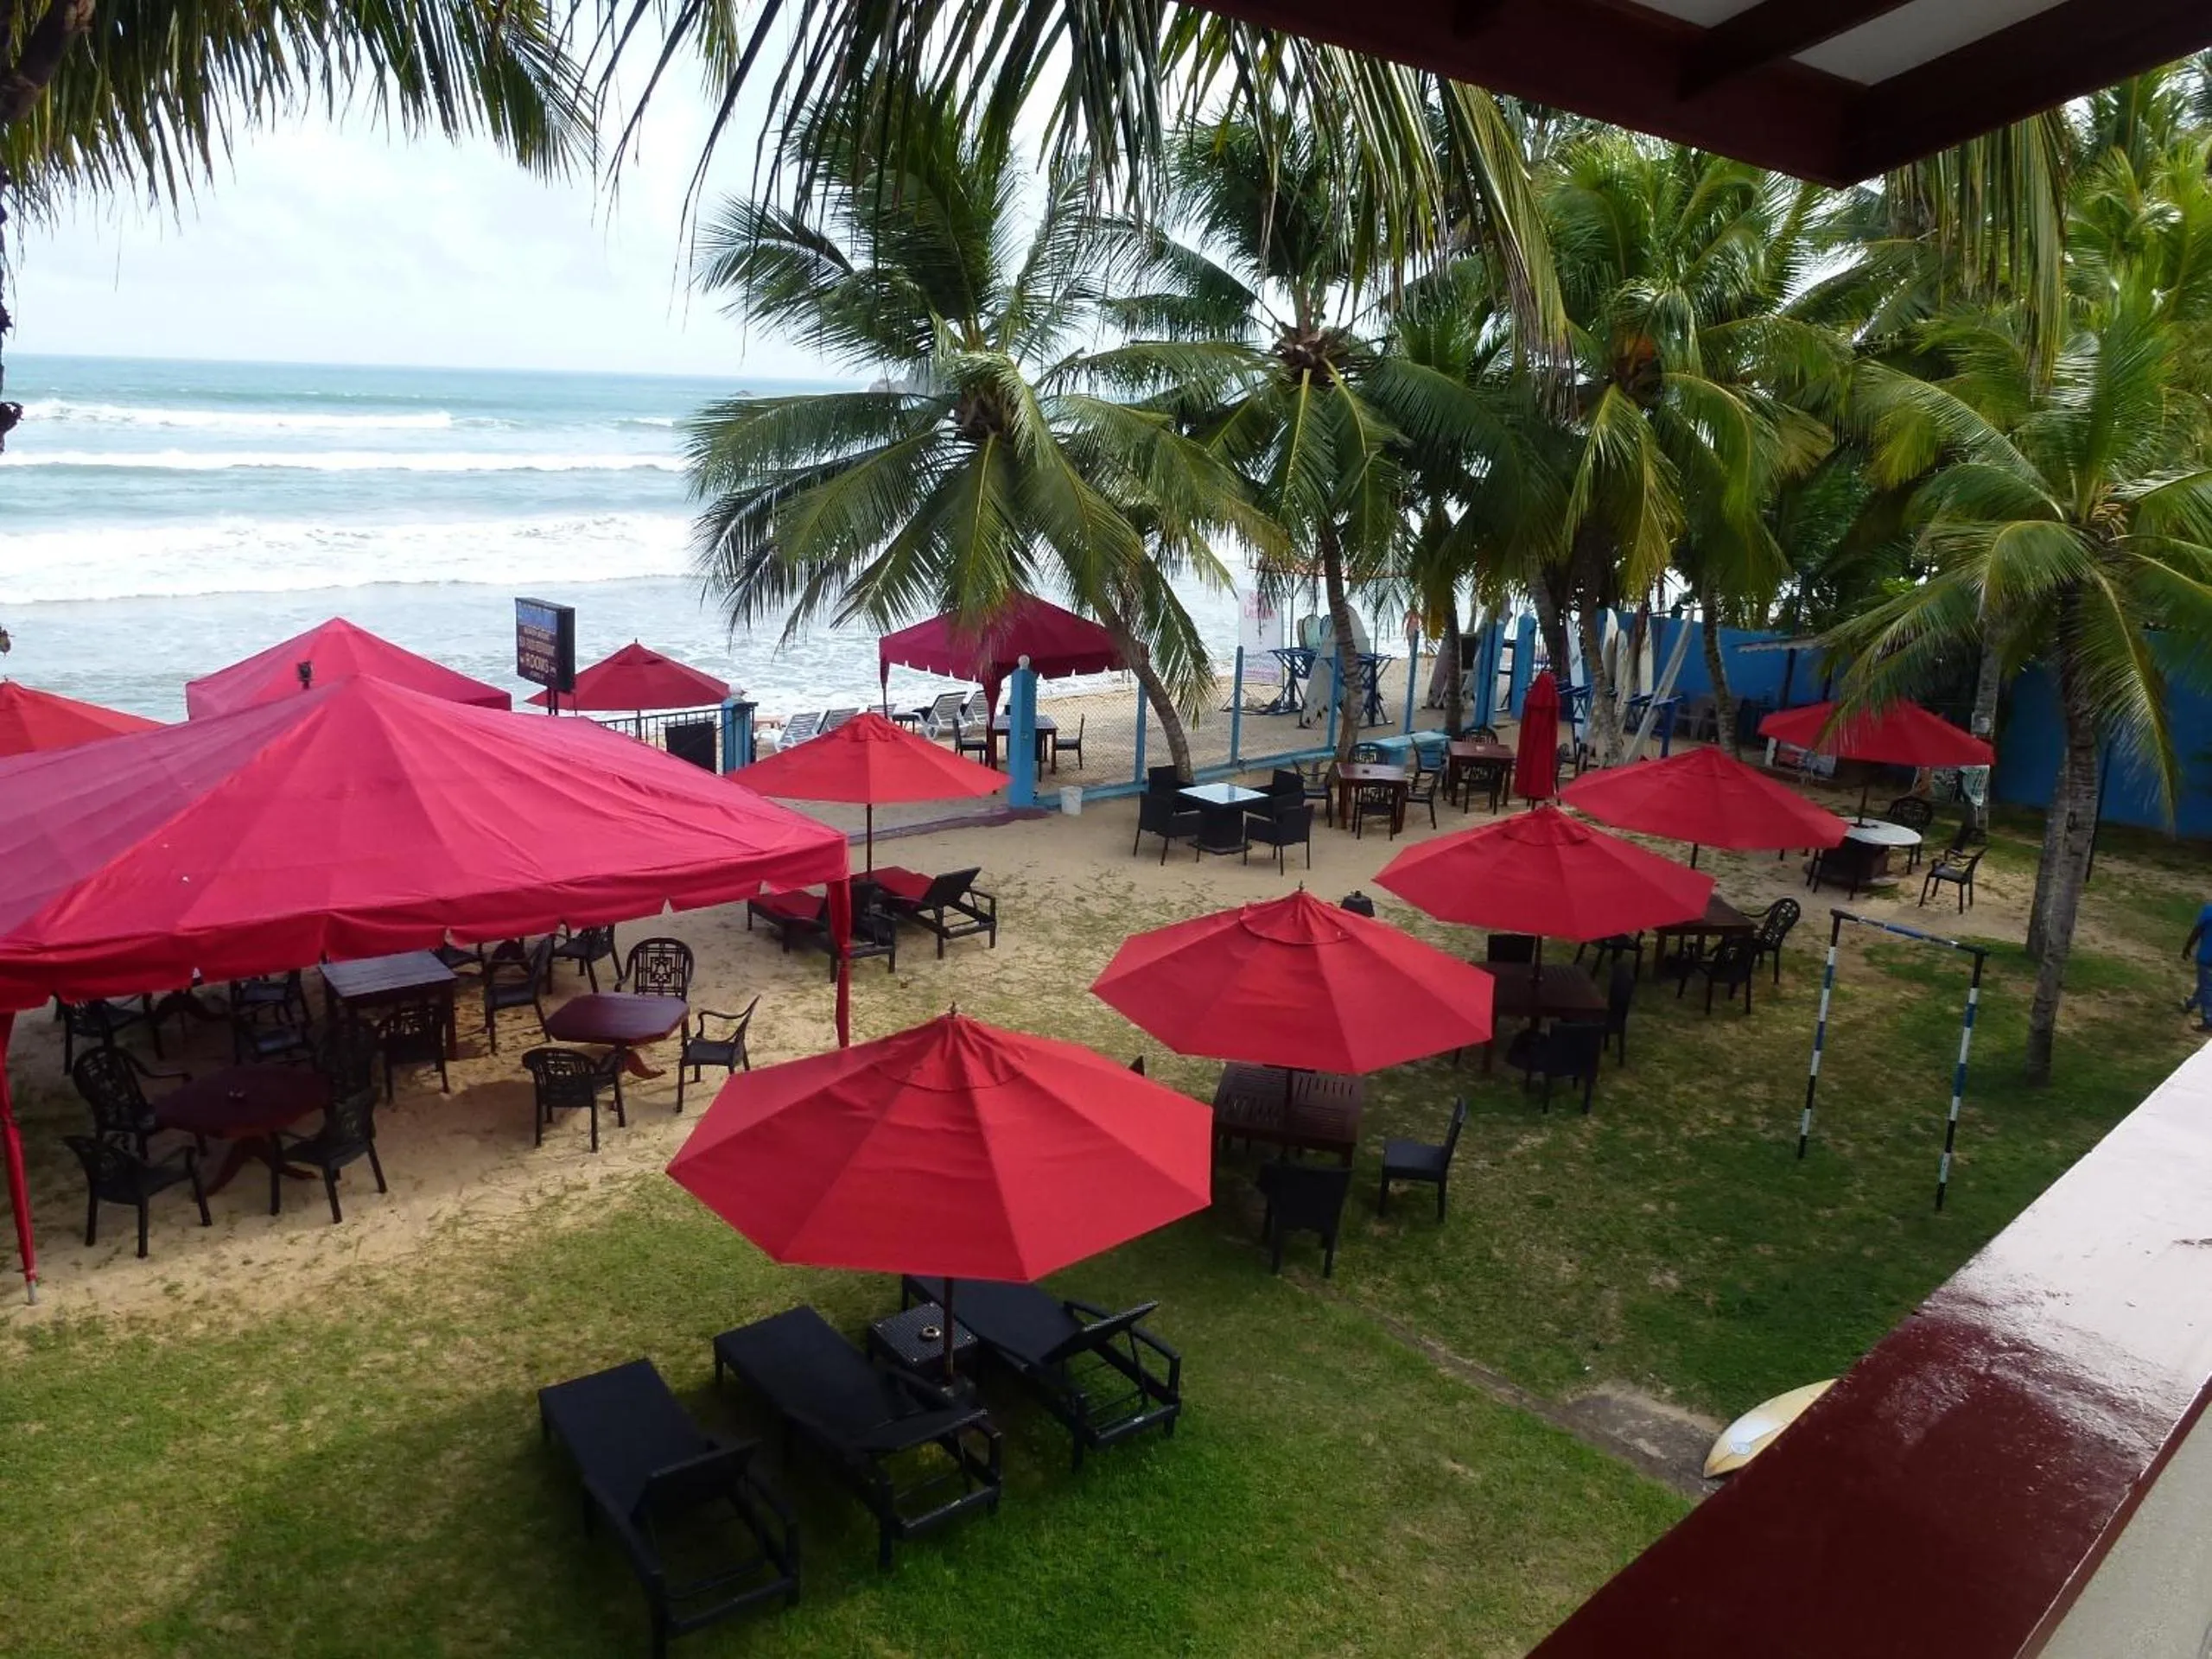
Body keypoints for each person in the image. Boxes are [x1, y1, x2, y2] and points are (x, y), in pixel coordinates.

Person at [2183, 904, 2212, 1031]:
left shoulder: (2208, 911)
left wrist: (2188, 947)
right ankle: (2191, 1004)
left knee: (2206, 987)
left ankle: (2208, 1019)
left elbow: (2197, 930)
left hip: (2207, 957)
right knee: (2205, 983)